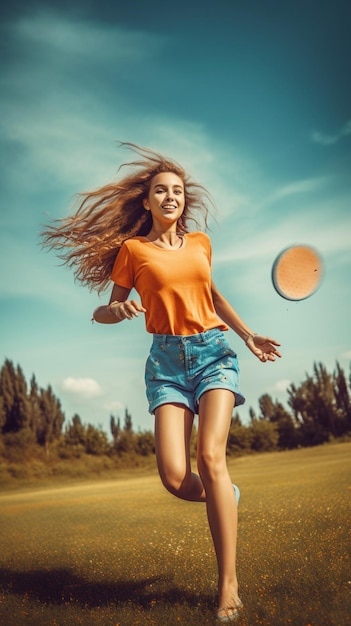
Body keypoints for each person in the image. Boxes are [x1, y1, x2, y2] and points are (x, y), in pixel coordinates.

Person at [41, 143, 281, 622]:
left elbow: (212, 294)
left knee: (211, 458)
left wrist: (249, 335)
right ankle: (224, 495)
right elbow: (102, 310)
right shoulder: (133, 251)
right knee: (174, 477)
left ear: (182, 203)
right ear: (147, 202)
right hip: (166, 364)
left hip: (213, 353)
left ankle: (228, 585)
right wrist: (118, 309)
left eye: (176, 191)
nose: (170, 197)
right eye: (160, 191)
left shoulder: (200, 244)